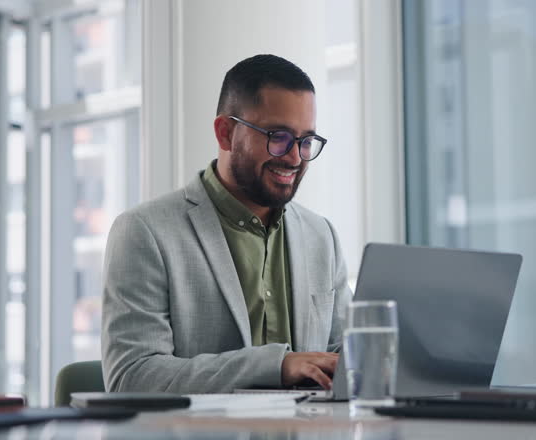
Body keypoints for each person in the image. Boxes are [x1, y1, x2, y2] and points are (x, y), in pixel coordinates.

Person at [101, 54, 352, 393]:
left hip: (313, 429)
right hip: (206, 431)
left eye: (305, 141)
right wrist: (275, 366)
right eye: (278, 137)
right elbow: (131, 377)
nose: (295, 157)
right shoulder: (144, 232)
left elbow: (346, 358)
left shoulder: (321, 237)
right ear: (226, 133)